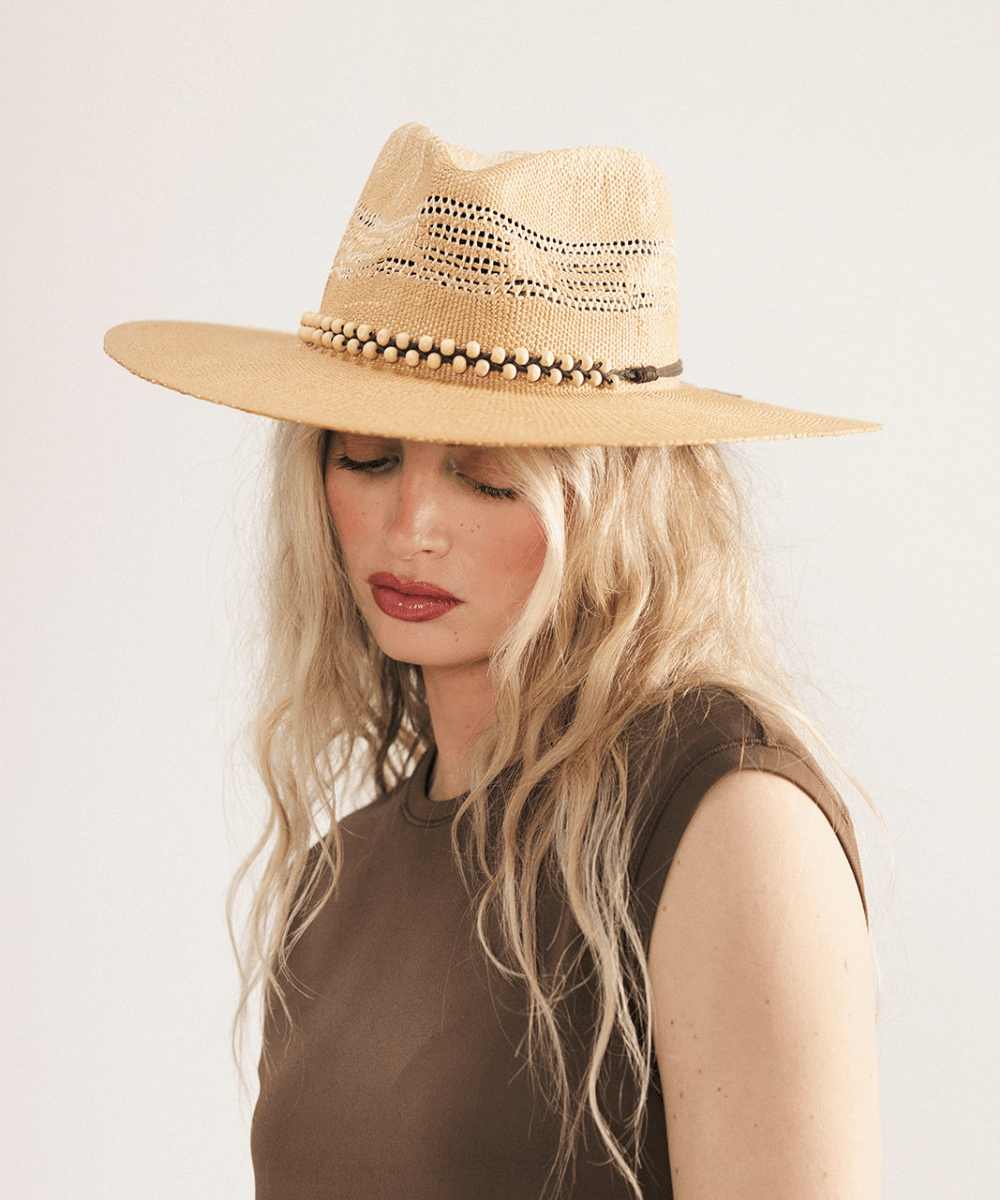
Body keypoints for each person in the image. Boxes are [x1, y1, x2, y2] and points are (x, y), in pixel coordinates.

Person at [105, 123, 882, 1199]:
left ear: (612, 502)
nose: (410, 524)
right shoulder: (340, 878)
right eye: (368, 457)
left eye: (488, 478)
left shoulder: (718, 816)